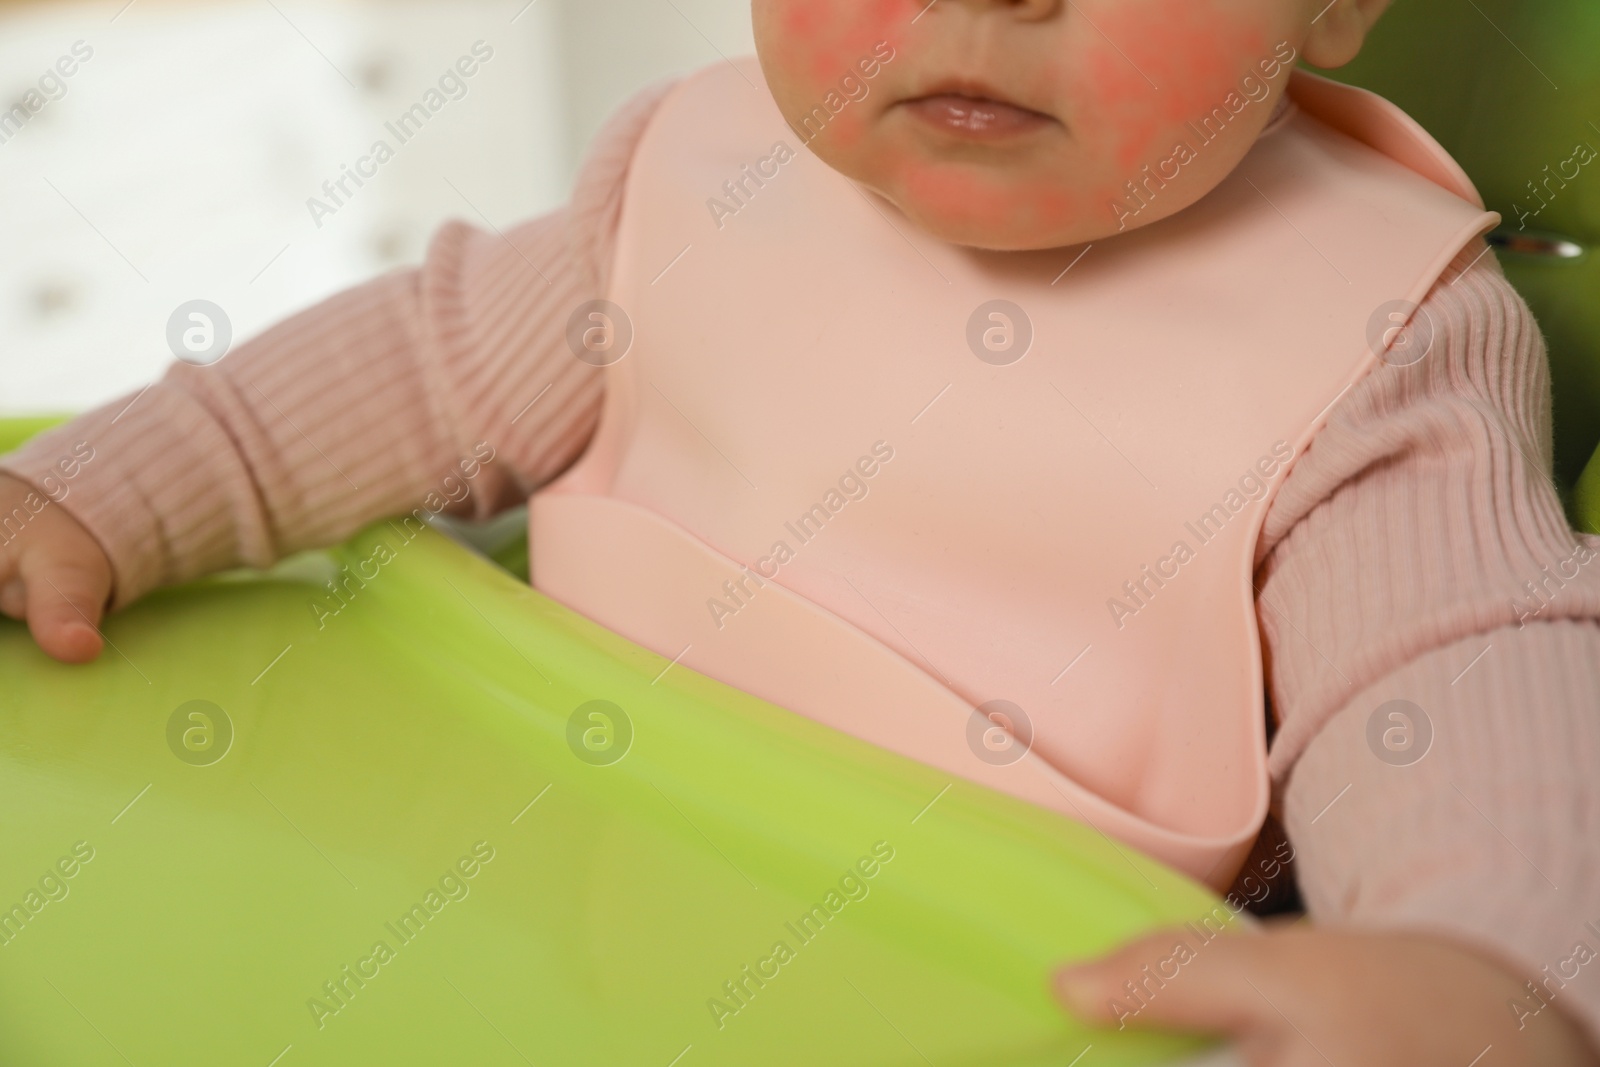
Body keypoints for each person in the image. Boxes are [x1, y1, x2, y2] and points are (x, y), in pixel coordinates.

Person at [3, 1, 1597, 1063]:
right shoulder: (695, 181)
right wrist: (106, 491)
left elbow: (1455, 673)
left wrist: (1486, 967)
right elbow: (420, 365)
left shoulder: (1370, 329)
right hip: (548, 913)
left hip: (995, 990)